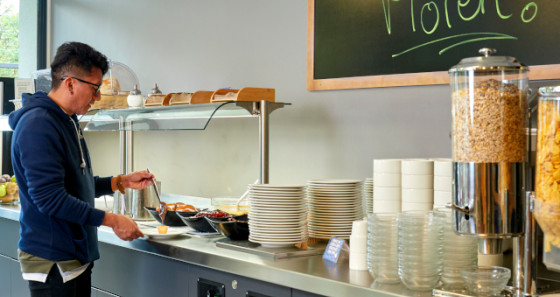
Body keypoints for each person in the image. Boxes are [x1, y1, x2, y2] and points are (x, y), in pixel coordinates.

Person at [9, 41, 154, 297]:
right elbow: (50, 198)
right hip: (53, 261)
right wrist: (112, 220)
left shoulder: (66, 118)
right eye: (95, 88)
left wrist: (120, 181)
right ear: (70, 83)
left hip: (72, 257)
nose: (98, 97)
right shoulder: (39, 124)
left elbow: (75, 183)